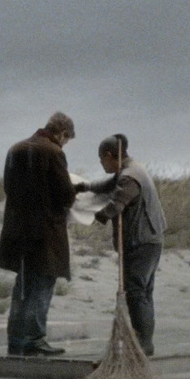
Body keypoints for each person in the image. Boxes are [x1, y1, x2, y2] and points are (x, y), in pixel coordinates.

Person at [75, 134, 167, 356]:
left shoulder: (129, 177)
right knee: (143, 292)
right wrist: (83, 186)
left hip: (142, 242)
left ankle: (143, 344)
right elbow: (106, 185)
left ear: (109, 155)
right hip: (150, 239)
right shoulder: (130, 169)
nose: (101, 163)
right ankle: (143, 343)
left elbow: (116, 205)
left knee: (137, 292)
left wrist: (87, 214)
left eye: (100, 159)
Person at [0, 111, 77, 356]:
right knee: (42, 284)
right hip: (44, 233)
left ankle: (16, 341)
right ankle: (33, 340)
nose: (65, 144)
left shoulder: (15, 149)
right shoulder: (53, 152)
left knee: (22, 287)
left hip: (16, 230)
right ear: (62, 134)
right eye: (67, 139)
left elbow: (8, 187)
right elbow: (64, 194)